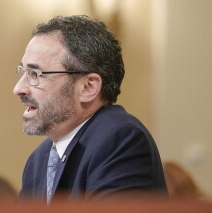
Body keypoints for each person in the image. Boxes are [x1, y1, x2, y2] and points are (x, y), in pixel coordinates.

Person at [13, 15, 167, 204]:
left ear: (88, 87)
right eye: (22, 72)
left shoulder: (119, 139)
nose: (18, 89)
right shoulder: (38, 160)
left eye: (35, 74)